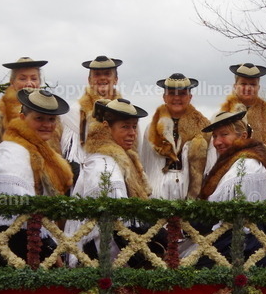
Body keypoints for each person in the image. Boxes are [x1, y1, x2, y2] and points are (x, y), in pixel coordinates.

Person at [0, 88, 74, 261]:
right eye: (39, 118)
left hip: (28, 238)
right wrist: (51, 250)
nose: (47, 125)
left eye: (51, 119)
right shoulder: (12, 153)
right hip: (12, 245)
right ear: (23, 118)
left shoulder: (35, 149)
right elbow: (24, 211)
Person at [70, 98, 157, 263]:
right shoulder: (105, 167)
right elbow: (111, 227)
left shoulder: (121, 160)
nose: (132, 133)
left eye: (134, 126)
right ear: (106, 127)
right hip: (100, 261)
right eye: (125, 127)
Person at [139, 73, 210, 200]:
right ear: (164, 97)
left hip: (190, 198)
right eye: (172, 93)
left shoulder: (204, 129)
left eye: (182, 94)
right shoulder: (151, 129)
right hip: (157, 195)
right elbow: (145, 163)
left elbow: (209, 166)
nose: (177, 98)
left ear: (190, 97)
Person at [217, 63, 266, 179]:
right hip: (227, 177)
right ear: (235, 86)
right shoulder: (223, 114)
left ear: (258, 87)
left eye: (253, 84)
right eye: (243, 84)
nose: (248, 88)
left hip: (260, 177)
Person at [199, 105, 266, 203]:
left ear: (243, 136)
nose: (217, 142)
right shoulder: (229, 163)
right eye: (215, 136)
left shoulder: (248, 166)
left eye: (224, 134)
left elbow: (247, 212)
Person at [61, 55, 123, 165]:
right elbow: (71, 155)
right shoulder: (76, 111)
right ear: (89, 80)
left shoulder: (126, 112)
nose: (102, 78)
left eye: (107, 74)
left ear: (115, 80)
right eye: (97, 74)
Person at [0, 57, 47, 148]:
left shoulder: (50, 113)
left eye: (34, 79)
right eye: (23, 79)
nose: (29, 83)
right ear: (12, 82)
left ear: (40, 82)